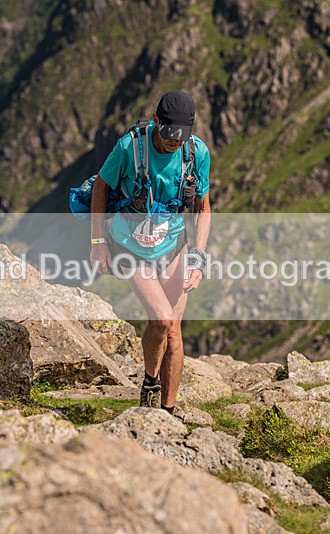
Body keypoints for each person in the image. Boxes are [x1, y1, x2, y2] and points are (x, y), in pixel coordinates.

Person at [89, 90, 211, 415]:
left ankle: (166, 412)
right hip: (130, 247)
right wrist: (98, 243)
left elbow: (202, 207)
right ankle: (149, 381)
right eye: (168, 134)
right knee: (161, 318)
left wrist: (198, 257)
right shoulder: (129, 148)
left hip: (174, 247)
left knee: (173, 330)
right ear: (156, 121)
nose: (174, 142)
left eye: (180, 136)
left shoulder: (196, 153)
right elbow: (101, 186)